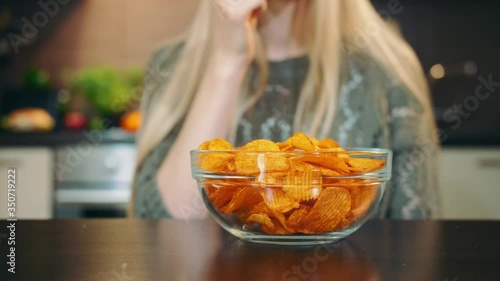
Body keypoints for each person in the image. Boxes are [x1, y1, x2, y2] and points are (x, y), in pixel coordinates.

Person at [131, 0, 441, 220]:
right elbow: (161, 228)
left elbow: (416, 240)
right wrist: (227, 63)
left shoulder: (387, 72)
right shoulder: (172, 66)